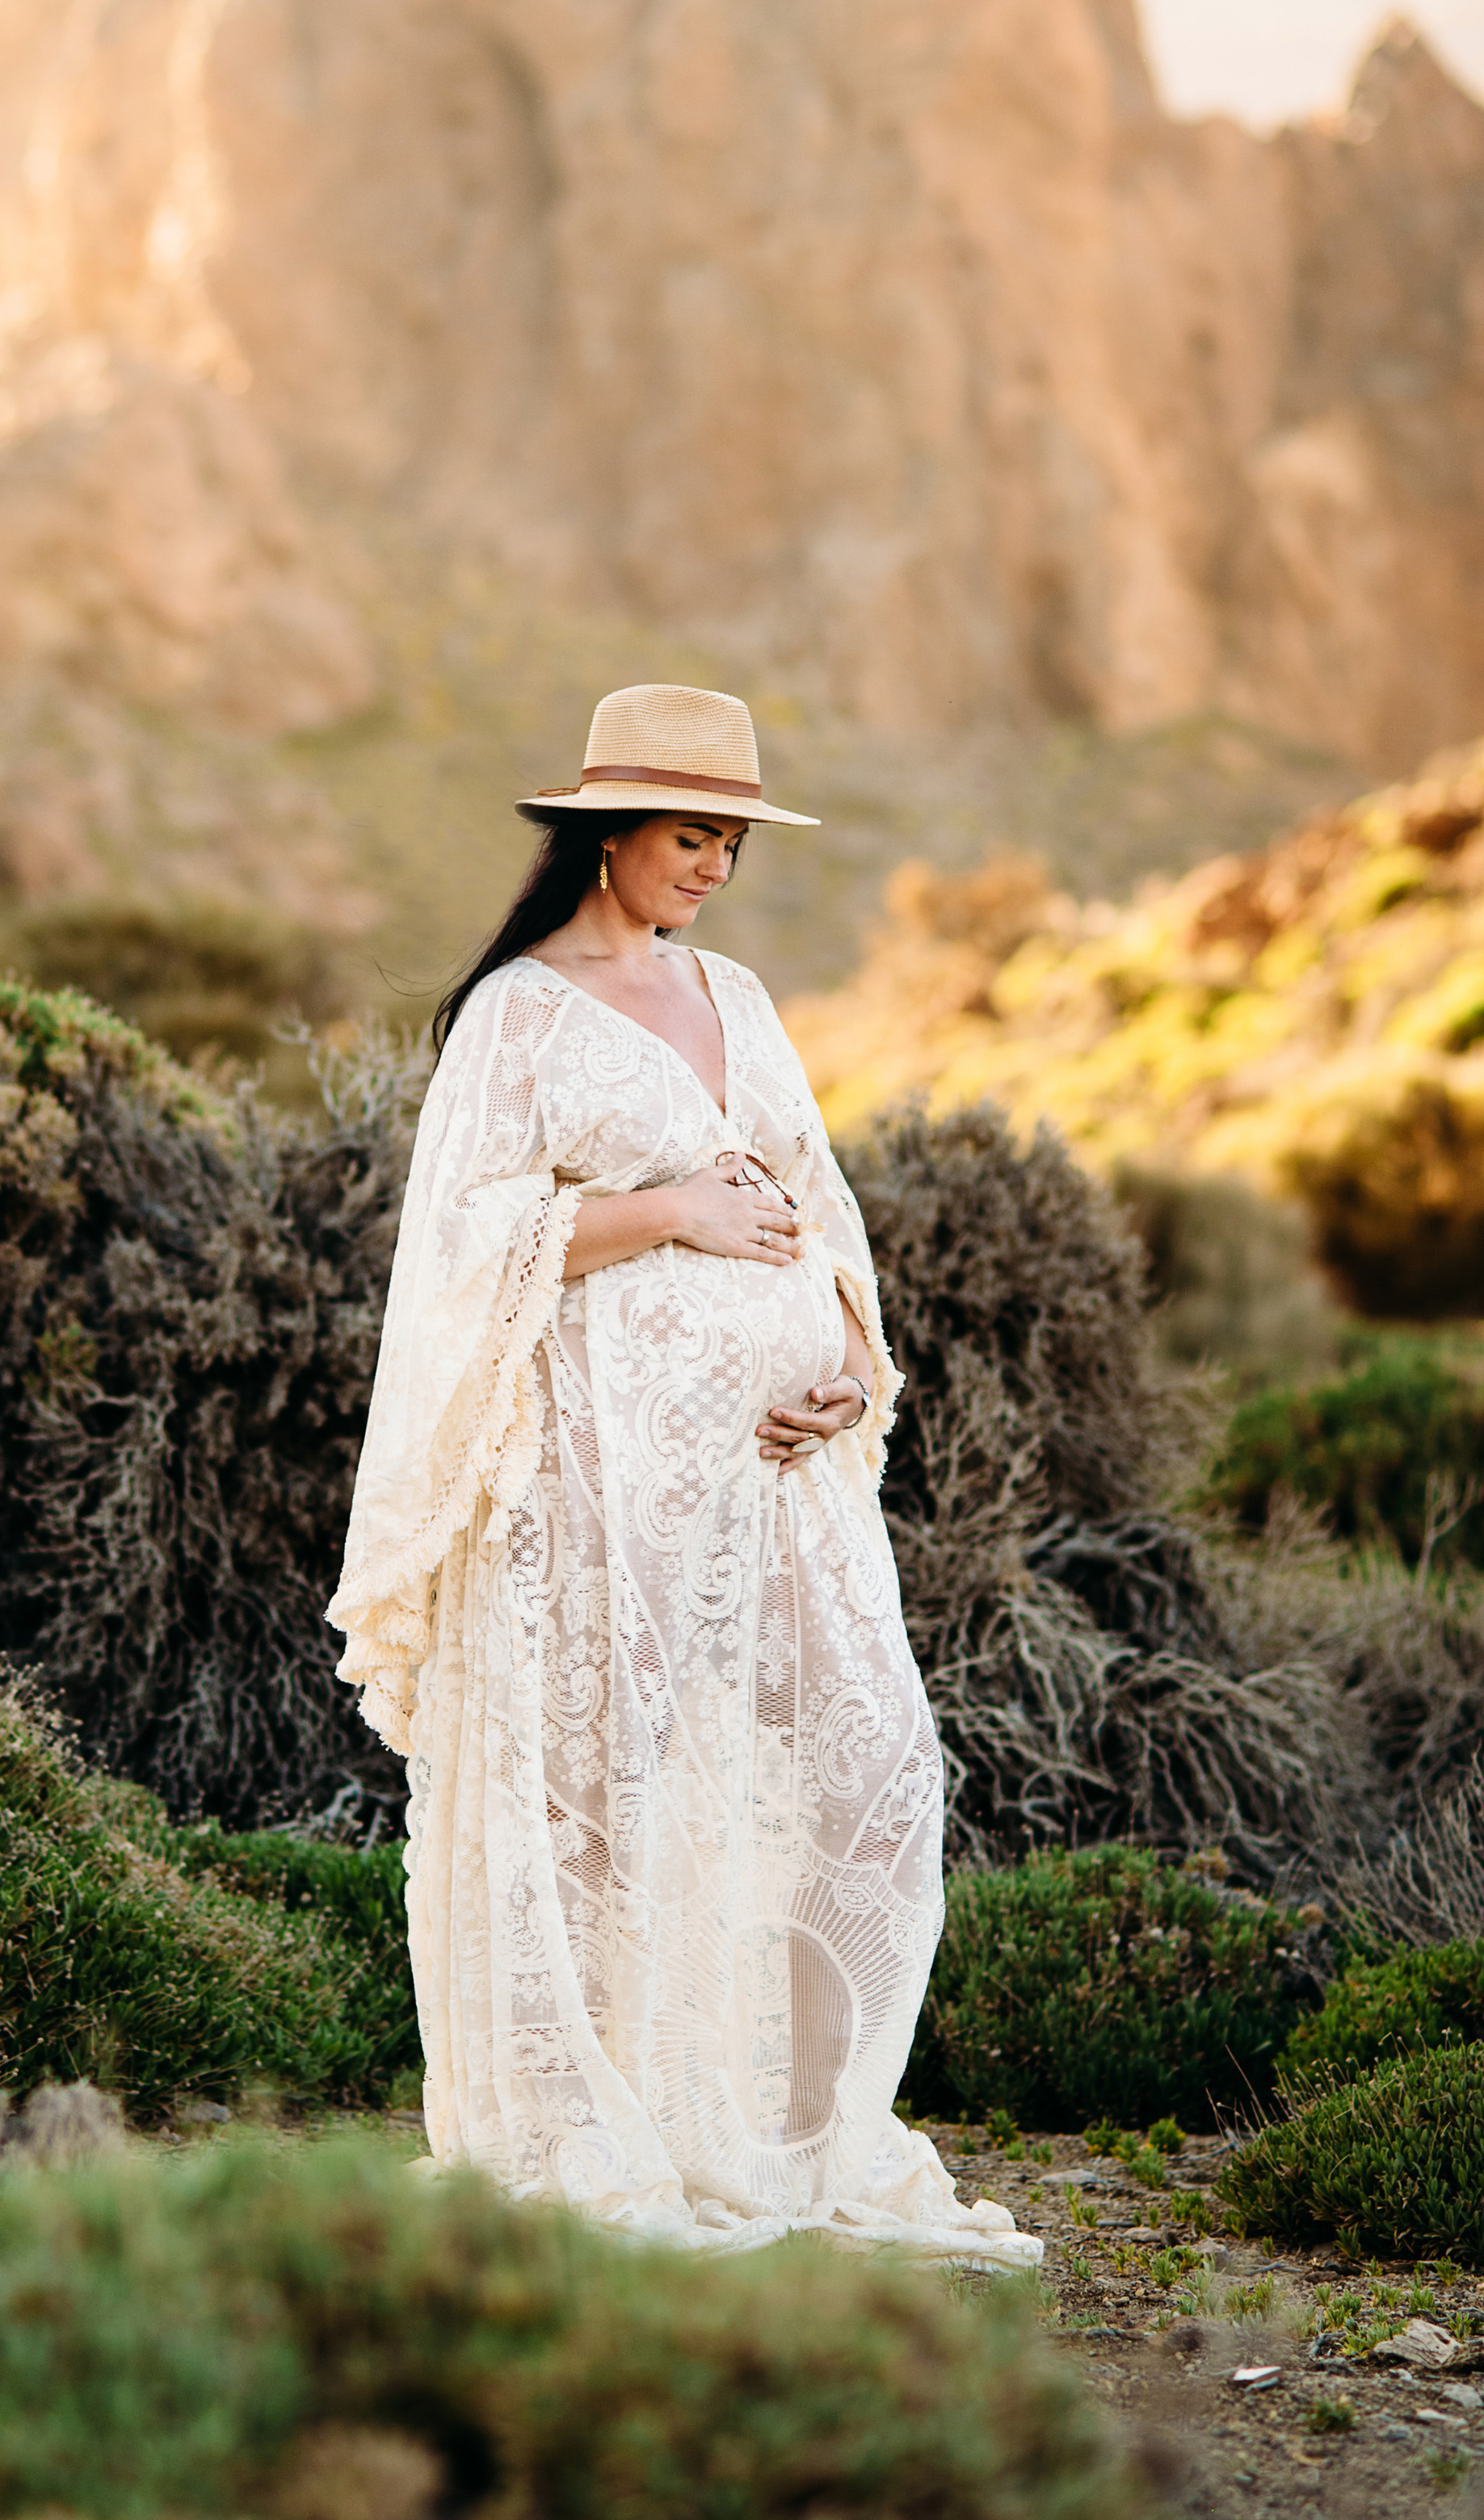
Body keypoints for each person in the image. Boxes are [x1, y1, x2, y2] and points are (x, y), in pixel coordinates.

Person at [329, 684, 1039, 2262]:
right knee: (610, 1788)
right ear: (605, 832)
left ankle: (770, 2127)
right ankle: (606, 2127)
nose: (714, 864)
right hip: (590, 1493)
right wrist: (668, 1217)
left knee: (853, 1771)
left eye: (730, 838)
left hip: (771, 1493)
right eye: (689, 834)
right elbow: (461, 1252)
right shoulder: (518, 1011)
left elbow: (819, 1205)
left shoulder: (738, 995)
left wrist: (847, 1366)